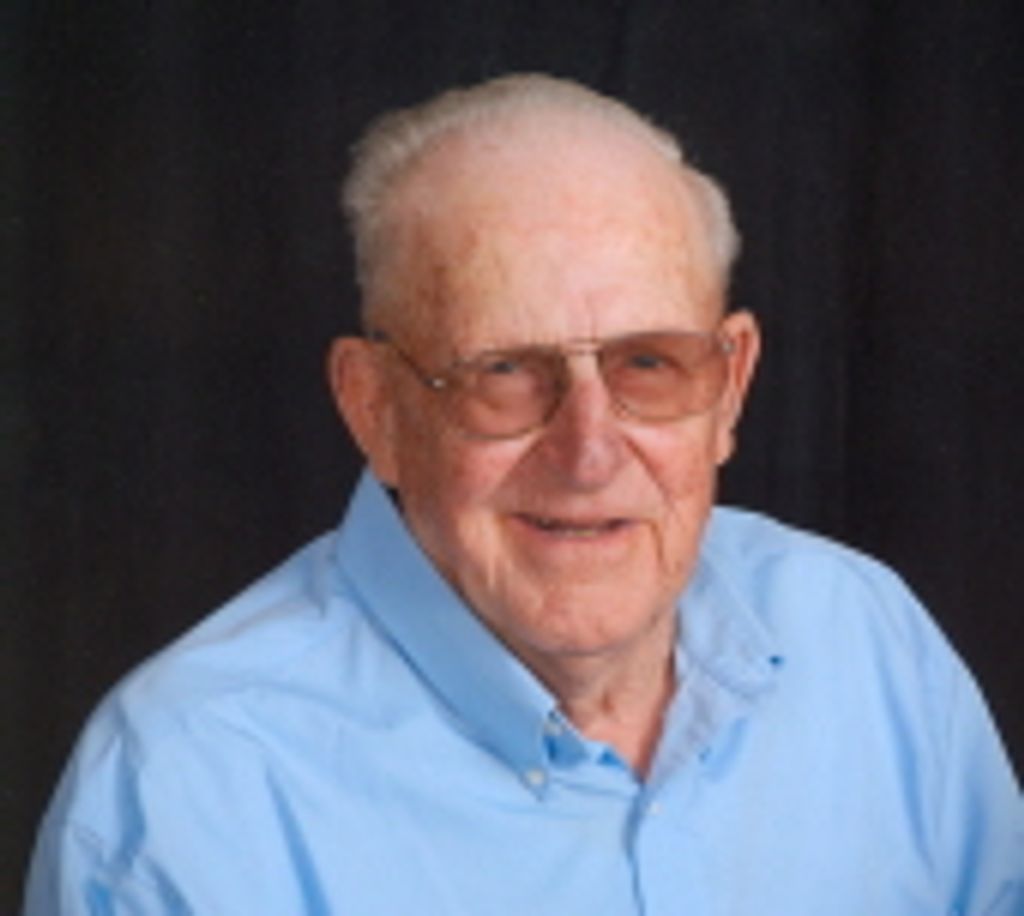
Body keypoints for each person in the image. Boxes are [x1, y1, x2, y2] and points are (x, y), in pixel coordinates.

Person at [25, 73, 1022, 915]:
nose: (588, 451)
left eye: (648, 363)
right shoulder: (180, 796)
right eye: (502, 371)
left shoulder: (868, 645)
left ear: (730, 388)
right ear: (373, 407)